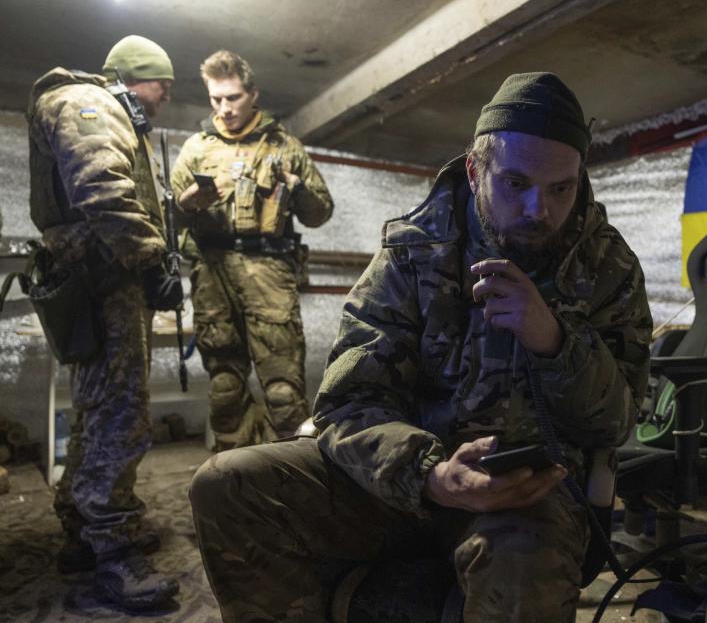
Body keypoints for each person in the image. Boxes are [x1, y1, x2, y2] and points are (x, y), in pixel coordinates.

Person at [190, 72, 651, 622]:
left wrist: (553, 341)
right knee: (228, 485)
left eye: (561, 189)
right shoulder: (414, 253)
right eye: (516, 184)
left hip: (524, 496)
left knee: (522, 566)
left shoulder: (608, 269)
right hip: (408, 481)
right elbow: (348, 403)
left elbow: (616, 423)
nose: (539, 210)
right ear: (476, 170)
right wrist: (430, 474)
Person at [26, 35, 182, 609]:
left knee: (95, 413)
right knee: (120, 417)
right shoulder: (90, 105)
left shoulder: (96, 109)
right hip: (105, 283)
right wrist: (150, 261)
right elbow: (104, 190)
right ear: (139, 77)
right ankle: (114, 552)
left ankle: (82, 532)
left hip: (97, 282)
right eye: (162, 83)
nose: (166, 95)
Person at [171, 50, 334, 450]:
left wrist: (294, 184)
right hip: (213, 273)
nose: (224, 109)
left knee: (282, 393)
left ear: (253, 94)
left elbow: (320, 212)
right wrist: (188, 201)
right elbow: (170, 215)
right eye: (216, 100)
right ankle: (235, 484)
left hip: (269, 273)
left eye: (233, 98)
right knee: (225, 388)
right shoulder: (196, 148)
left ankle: (294, 485)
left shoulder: (284, 146)